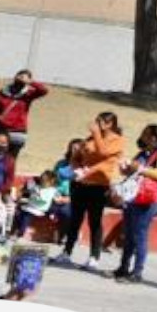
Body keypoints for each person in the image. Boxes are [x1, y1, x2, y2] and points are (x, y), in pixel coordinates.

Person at [56, 112, 125, 273]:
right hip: (81, 184)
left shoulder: (117, 140)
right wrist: (76, 165)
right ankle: (67, 252)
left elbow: (103, 152)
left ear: (111, 124)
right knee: (75, 219)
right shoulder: (90, 139)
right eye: (97, 121)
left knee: (94, 221)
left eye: (102, 122)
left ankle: (94, 257)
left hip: (99, 185)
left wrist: (95, 134)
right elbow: (77, 155)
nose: (98, 124)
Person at [114, 124, 157, 284]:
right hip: (134, 197)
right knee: (128, 234)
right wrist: (125, 168)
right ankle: (123, 268)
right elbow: (133, 171)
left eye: (144, 134)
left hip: (150, 199)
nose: (141, 137)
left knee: (139, 235)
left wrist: (139, 168)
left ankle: (137, 273)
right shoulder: (145, 152)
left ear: (153, 137)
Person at [0, 70, 48, 153]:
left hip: (18, 131)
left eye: (24, 77)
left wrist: (31, 82)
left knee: (10, 159)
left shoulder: (28, 94)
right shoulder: (4, 91)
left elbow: (43, 91)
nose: (21, 79)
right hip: (1, 129)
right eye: (19, 76)